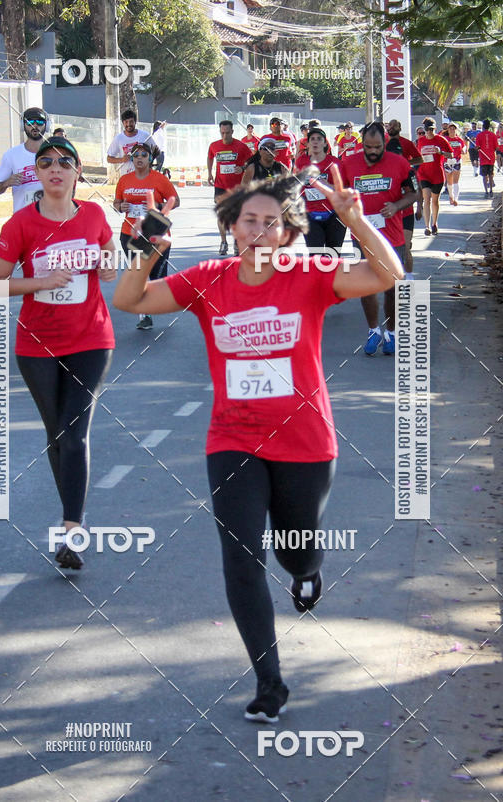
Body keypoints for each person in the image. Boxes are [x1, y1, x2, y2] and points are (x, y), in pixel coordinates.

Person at [112, 172, 404, 724]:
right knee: (242, 557)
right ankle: (270, 681)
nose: (260, 231)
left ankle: (306, 570)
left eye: (272, 223)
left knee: (296, 549)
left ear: (288, 235)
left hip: (306, 442)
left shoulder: (308, 276)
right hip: (233, 439)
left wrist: (354, 219)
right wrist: (148, 251)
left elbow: (389, 273)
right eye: (250, 220)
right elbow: (130, 299)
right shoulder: (208, 279)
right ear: (231, 226)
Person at [0, 136, 117, 570]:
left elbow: (110, 265)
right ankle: (69, 524)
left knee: (74, 432)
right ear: (37, 173)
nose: (56, 168)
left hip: (91, 338)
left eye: (65, 162)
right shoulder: (20, 225)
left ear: (78, 171)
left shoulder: (95, 215)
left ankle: (71, 531)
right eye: (46, 163)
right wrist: (38, 283)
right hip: (37, 344)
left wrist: (107, 263)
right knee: (57, 433)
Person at [340, 121, 420, 356]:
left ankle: (392, 333)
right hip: (362, 234)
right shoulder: (348, 163)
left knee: (391, 286)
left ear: (385, 143)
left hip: (392, 236)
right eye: (368, 147)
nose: (372, 152)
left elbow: (414, 192)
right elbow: (340, 195)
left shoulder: (400, 163)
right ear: (362, 143)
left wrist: (396, 206)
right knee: (366, 285)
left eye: (377, 147)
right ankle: (374, 330)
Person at [113, 142, 180, 329]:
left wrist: (157, 208)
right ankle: (144, 315)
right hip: (130, 233)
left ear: (150, 159)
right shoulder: (124, 180)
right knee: (137, 275)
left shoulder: (159, 179)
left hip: (155, 234)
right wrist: (121, 207)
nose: (139, 158)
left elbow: (176, 201)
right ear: (132, 159)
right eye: (136, 155)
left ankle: (159, 301)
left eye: (144, 155)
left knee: (157, 276)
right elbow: (116, 203)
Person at [295, 127, 345, 250]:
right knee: (315, 256)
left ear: (324, 143)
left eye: (319, 139)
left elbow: (343, 191)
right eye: (312, 139)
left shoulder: (335, 162)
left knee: (333, 255)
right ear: (307, 144)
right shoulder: (301, 162)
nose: (315, 142)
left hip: (334, 214)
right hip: (309, 214)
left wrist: (326, 185)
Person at [385, 119, 423, 278]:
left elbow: (417, 188)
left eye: (394, 126)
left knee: (405, 248)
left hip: (406, 213)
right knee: (391, 250)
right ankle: (393, 280)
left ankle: (409, 281)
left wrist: (420, 208)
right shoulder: (383, 170)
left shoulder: (409, 172)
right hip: (388, 215)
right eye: (389, 126)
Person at [207, 120, 251, 255]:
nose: (224, 136)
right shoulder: (214, 145)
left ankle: (237, 242)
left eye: (227, 133)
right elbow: (210, 157)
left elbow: (252, 161)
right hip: (220, 185)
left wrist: (242, 168)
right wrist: (209, 173)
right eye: (222, 133)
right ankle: (223, 241)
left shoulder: (241, 146)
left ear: (232, 131)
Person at [0, 107, 47, 212]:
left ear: (46, 125)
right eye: (30, 122)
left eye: (40, 122)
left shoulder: (55, 153)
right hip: (23, 219)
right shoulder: (11, 155)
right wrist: (6, 182)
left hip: (51, 220)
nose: (35, 126)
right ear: (23, 125)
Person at [416, 117, 452, 235]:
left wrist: (440, 152)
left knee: (435, 201)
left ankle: (434, 223)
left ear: (435, 129)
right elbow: (417, 156)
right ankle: (427, 227)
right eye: (427, 130)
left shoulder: (441, 140)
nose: (429, 132)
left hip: (437, 174)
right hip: (424, 173)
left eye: (431, 129)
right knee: (427, 198)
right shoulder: (421, 141)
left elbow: (451, 154)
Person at [107, 109, 157, 177]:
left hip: (144, 176)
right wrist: (122, 159)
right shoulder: (119, 138)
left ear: (135, 122)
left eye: (131, 121)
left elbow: (156, 150)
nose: (128, 124)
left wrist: (149, 160)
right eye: (126, 122)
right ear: (123, 123)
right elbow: (109, 159)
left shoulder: (144, 136)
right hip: (127, 177)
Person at [443, 122, 466, 206]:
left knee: (456, 181)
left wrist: (463, 150)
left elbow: (464, 147)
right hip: (447, 162)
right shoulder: (445, 139)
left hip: (457, 161)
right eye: (450, 128)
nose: (452, 130)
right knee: (449, 182)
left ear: (456, 130)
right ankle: (451, 197)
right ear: (448, 130)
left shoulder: (459, 140)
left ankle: (456, 199)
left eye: (454, 129)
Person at [476, 119, 498, 198]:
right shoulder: (493, 135)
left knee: (484, 176)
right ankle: (491, 190)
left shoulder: (479, 135)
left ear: (483, 126)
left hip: (483, 158)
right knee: (491, 175)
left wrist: (478, 148)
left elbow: (477, 147)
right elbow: (496, 147)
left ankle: (486, 191)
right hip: (491, 158)